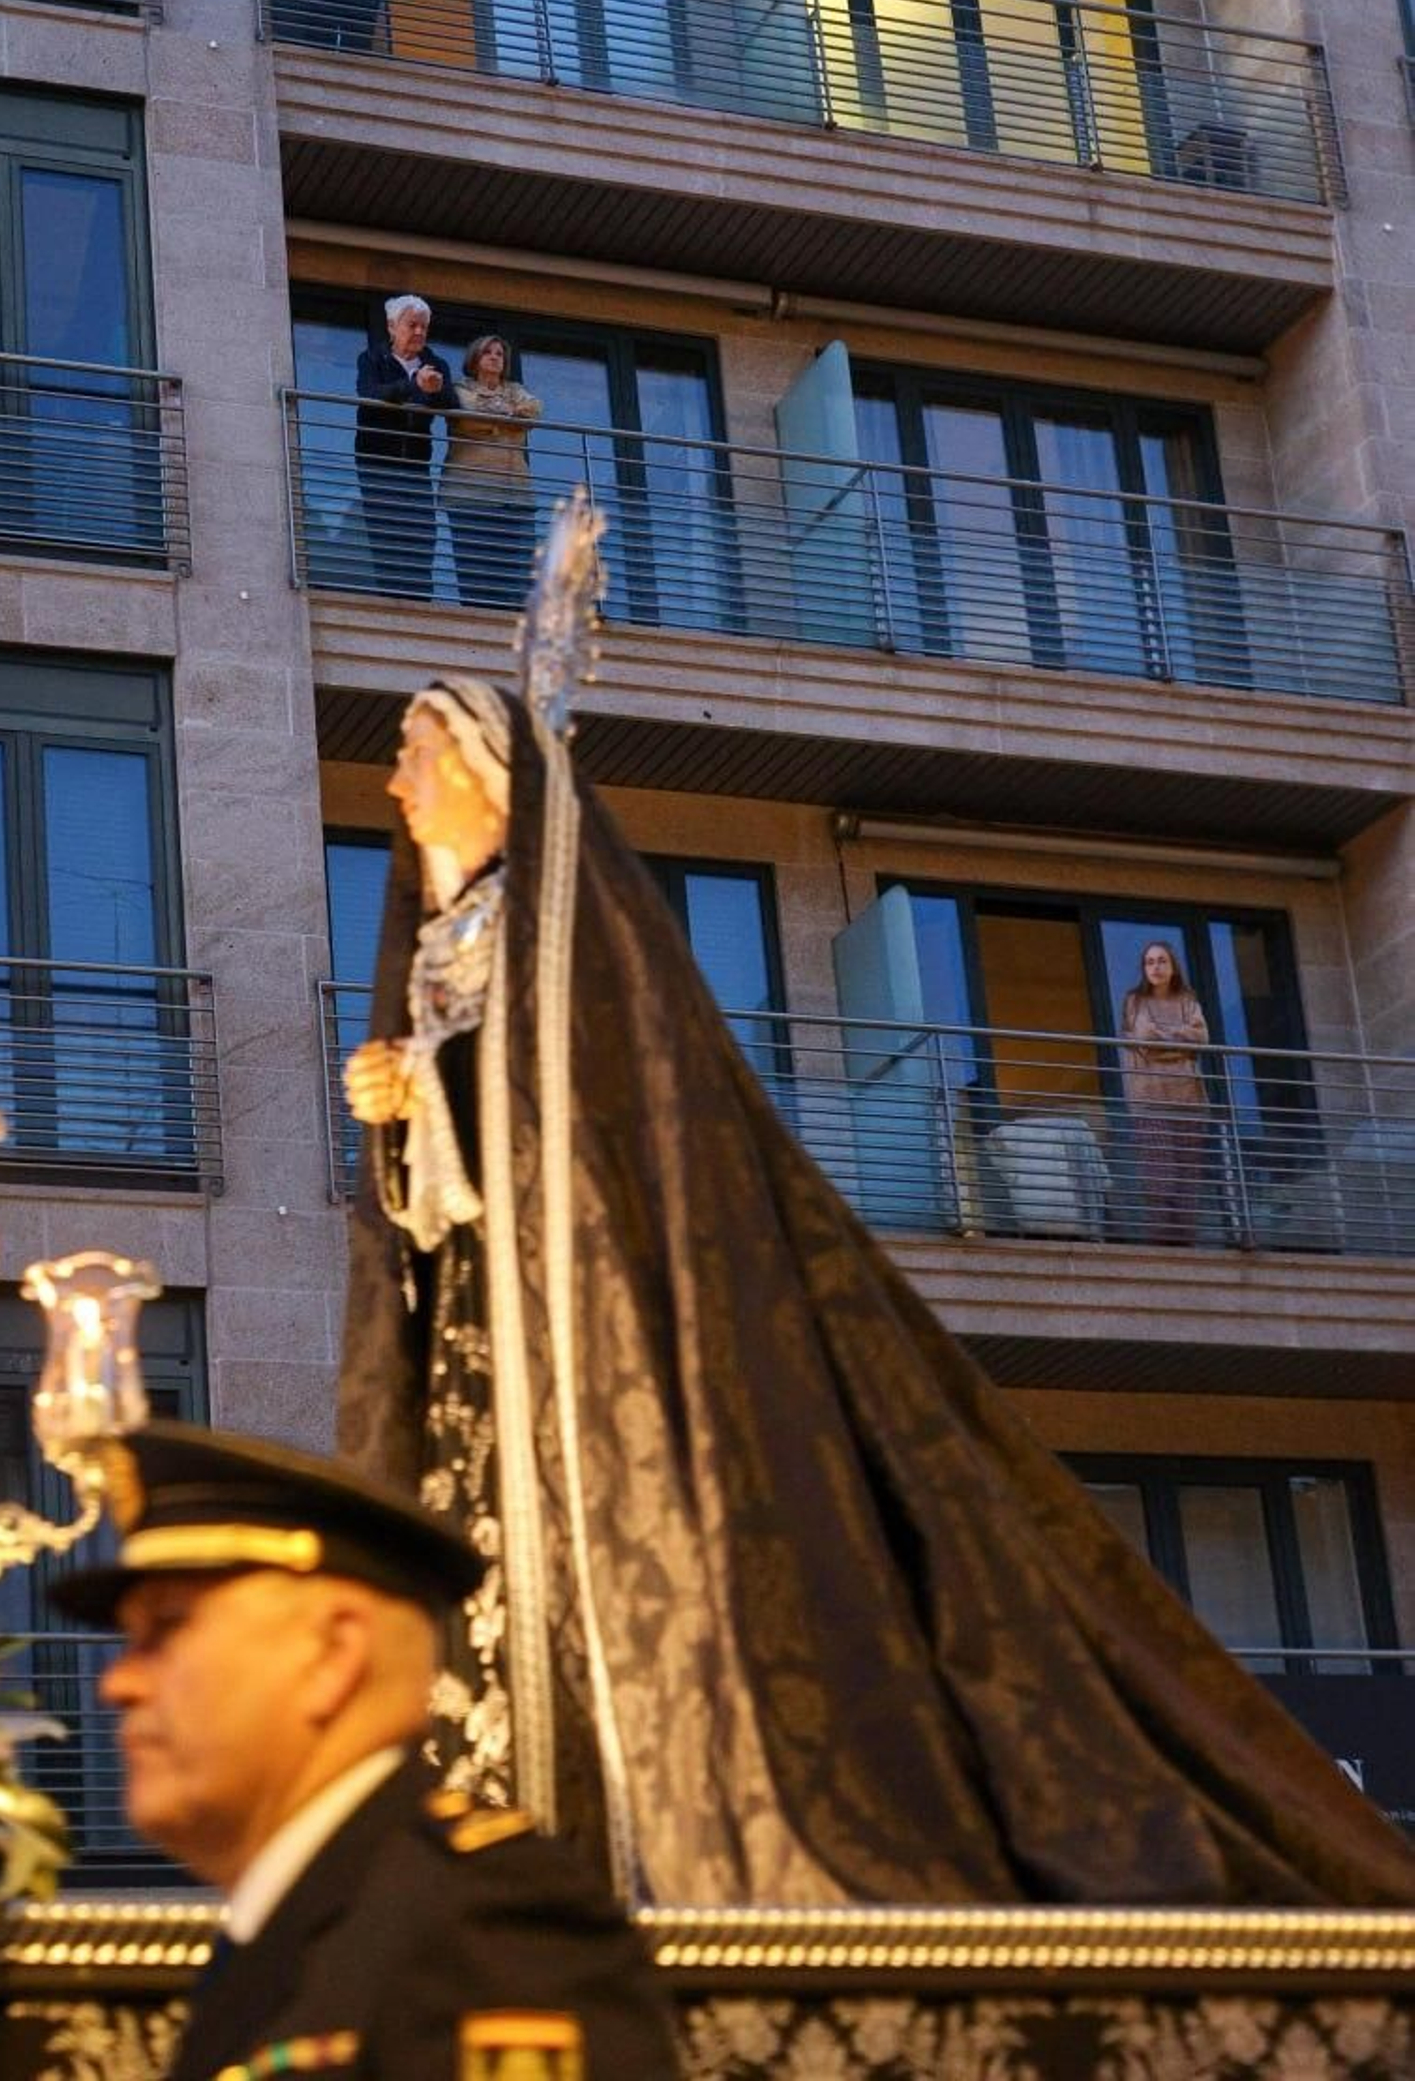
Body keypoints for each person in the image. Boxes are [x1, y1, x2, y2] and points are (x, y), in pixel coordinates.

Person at [339, 664, 1415, 1913]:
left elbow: (605, 1110)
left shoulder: (565, 918)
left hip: (596, 1328)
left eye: (417, 750)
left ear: (489, 773)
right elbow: (457, 1180)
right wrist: (403, 1122)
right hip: (492, 1324)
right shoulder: (437, 946)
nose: (394, 781)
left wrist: (438, 1094)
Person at [52, 1421, 682, 2081]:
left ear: (333, 1655)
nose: (116, 1682)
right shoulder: (322, 1912)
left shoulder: (483, 1923)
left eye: (167, 1627)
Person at [355, 295, 457, 599]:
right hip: (376, 460)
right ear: (391, 326)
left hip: (416, 464)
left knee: (422, 534)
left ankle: (419, 601)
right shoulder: (372, 359)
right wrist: (414, 386)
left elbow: (452, 403)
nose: (419, 333)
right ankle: (390, 600)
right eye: (412, 325)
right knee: (384, 531)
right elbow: (369, 393)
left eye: (424, 327)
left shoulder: (436, 363)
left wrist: (435, 390)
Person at [441, 334, 543, 609]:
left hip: (514, 495)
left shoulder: (514, 389)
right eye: (489, 352)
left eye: (500, 354)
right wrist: (507, 420)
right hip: (471, 493)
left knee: (518, 571)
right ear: (475, 359)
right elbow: (468, 415)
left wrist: (497, 418)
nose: (495, 357)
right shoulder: (460, 387)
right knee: (477, 567)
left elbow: (533, 409)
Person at [1121, 940, 1211, 1246]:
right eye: (1149, 962)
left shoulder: (1188, 1000)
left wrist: (1166, 1039)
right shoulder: (1135, 1001)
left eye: (1161, 961)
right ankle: (1161, 1243)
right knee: (1161, 1173)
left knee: (1189, 1176)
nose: (1155, 967)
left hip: (1188, 1098)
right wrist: (1178, 1042)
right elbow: (1146, 1039)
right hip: (1150, 1099)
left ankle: (1185, 1244)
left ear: (1173, 967)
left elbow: (1200, 1037)